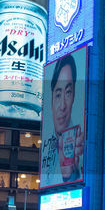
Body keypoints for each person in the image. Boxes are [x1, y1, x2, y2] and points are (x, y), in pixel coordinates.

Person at [41, 53, 83, 187]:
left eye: (68, 92)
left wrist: (73, 177)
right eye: (58, 95)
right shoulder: (46, 144)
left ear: (74, 95)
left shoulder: (80, 146)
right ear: (51, 98)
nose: (63, 106)